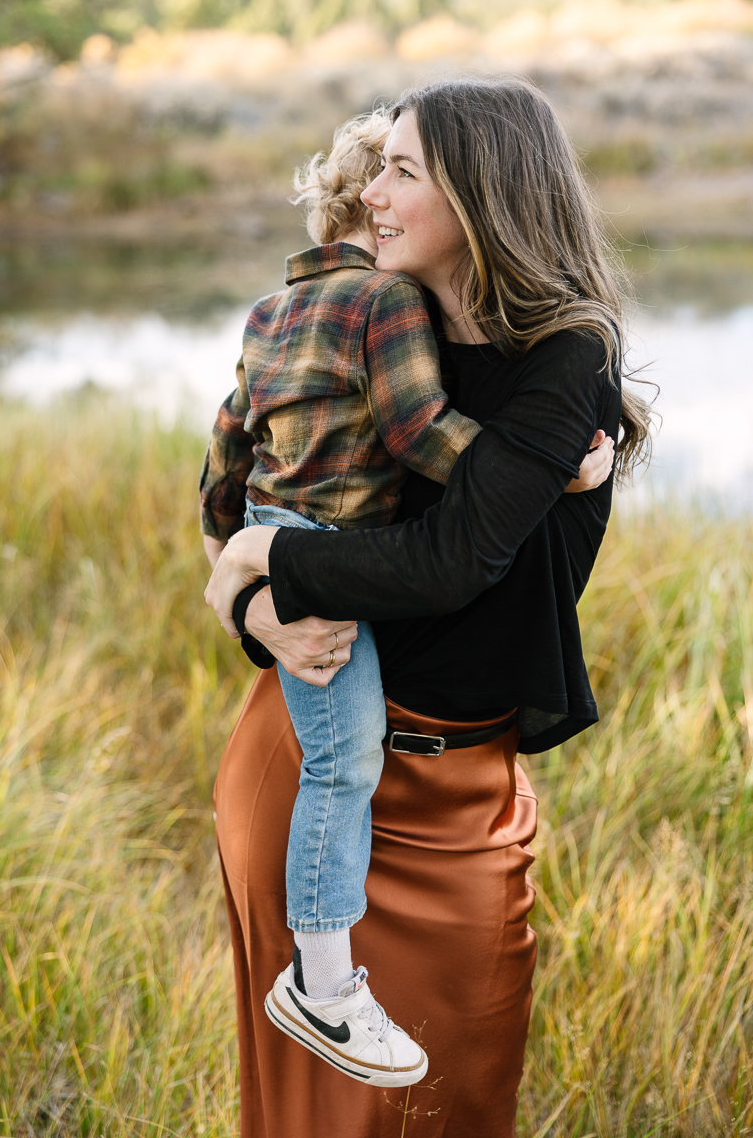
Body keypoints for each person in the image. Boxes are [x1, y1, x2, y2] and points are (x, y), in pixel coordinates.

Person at [206, 75, 650, 1138]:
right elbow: (246, 488)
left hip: (460, 792)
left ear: (480, 196)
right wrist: (244, 602)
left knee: (455, 1103)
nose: (374, 196)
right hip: (313, 767)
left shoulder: (563, 355)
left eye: (403, 173)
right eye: (381, 170)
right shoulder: (365, 322)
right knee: (310, 1120)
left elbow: (450, 562)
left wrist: (260, 562)